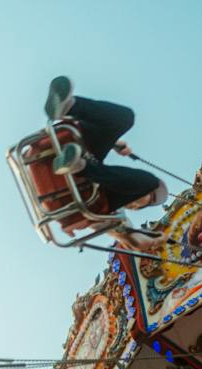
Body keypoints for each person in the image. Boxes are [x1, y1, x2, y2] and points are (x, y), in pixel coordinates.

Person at [43, 76, 166, 250]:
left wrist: (133, 238)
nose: (139, 201)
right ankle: (68, 106)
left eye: (145, 202)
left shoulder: (119, 215)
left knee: (149, 181)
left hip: (85, 187)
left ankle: (79, 166)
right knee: (125, 118)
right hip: (80, 159)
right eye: (148, 196)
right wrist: (114, 143)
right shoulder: (116, 180)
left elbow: (121, 232)